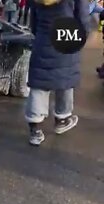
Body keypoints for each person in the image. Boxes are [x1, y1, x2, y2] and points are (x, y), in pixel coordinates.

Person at [25, 0, 90, 146]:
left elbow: (33, 20)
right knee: (65, 77)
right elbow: (83, 17)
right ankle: (62, 119)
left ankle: (35, 128)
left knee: (39, 82)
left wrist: (40, 35)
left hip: (43, 36)